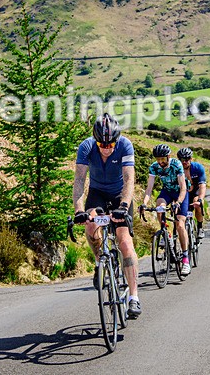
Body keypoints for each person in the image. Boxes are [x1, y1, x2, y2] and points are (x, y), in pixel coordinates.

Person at [72, 113, 141, 319]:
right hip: (97, 194)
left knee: (125, 244)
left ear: (116, 140)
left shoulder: (125, 146)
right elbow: (79, 181)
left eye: (110, 144)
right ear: (95, 140)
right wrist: (79, 210)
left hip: (120, 195)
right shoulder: (86, 147)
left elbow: (129, 180)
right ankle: (98, 262)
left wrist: (124, 205)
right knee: (91, 227)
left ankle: (134, 298)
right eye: (102, 144)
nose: (106, 148)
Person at [140, 144, 191, 276]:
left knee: (180, 224)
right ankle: (165, 233)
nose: (160, 162)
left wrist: (178, 202)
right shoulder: (154, 167)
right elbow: (149, 188)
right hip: (167, 192)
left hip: (180, 193)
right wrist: (144, 203)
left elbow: (183, 187)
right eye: (158, 159)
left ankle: (185, 259)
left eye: (163, 159)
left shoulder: (176, 165)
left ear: (168, 157)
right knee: (159, 206)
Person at [178, 147, 207, 239]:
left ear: (191, 159)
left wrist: (200, 199)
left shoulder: (198, 168)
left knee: (197, 204)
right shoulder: (177, 169)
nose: (184, 162)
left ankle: (200, 227)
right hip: (182, 192)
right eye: (182, 160)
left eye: (187, 159)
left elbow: (202, 185)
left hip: (195, 191)